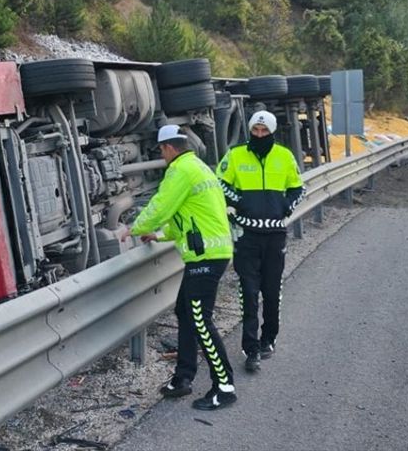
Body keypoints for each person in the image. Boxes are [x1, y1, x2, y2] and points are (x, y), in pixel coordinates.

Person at [120, 124, 237, 410]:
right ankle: (182, 378)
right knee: (185, 311)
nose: (162, 155)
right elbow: (187, 215)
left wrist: (134, 228)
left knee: (200, 319)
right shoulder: (198, 166)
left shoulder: (179, 170)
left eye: (161, 150)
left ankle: (224, 387)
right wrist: (159, 236)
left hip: (206, 256)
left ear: (169, 148)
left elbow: (161, 206)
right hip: (210, 252)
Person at [217, 110, 303, 373]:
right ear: (250, 130)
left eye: (264, 132)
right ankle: (251, 349)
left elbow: (298, 187)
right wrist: (240, 202)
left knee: (272, 291)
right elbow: (219, 184)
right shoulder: (235, 154)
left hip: (275, 236)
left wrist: (285, 207)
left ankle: (269, 339)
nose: (259, 135)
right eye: (256, 130)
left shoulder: (285, 156)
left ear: (272, 132)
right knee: (249, 293)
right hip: (246, 236)